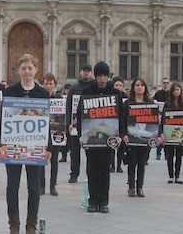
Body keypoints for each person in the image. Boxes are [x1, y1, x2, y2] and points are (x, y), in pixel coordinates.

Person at [0, 54, 50, 234]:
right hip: (13, 144)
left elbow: (46, 122)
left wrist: (48, 147)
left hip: (35, 145)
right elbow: (1, 118)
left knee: (34, 187)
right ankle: (14, 225)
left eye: (30, 68)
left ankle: (31, 225)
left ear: (36, 70)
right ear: (18, 70)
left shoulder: (42, 93)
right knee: (12, 185)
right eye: (24, 68)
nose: (27, 71)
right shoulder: (10, 91)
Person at [77, 61, 124, 213]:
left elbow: (121, 116)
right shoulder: (87, 91)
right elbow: (80, 115)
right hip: (92, 139)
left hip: (108, 140)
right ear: (95, 77)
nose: (102, 79)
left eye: (104, 76)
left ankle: (103, 201)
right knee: (91, 169)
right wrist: (80, 134)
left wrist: (121, 135)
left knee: (104, 170)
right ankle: (92, 200)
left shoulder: (115, 93)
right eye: (99, 76)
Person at [122, 78, 160, 198]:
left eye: (142, 85)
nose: (139, 87)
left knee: (142, 163)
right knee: (132, 162)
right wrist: (123, 135)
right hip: (132, 137)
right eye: (137, 85)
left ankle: (140, 187)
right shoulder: (127, 103)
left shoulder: (151, 103)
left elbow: (155, 122)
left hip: (145, 138)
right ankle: (131, 187)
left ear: (145, 88)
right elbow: (122, 121)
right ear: (133, 88)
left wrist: (158, 135)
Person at [65, 64, 93, 183]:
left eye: (88, 71)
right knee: (75, 150)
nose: (86, 73)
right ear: (80, 72)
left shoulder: (93, 86)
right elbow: (69, 105)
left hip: (90, 122)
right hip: (76, 122)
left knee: (90, 151)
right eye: (84, 71)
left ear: (91, 73)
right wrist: (68, 122)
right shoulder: (74, 87)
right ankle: (74, 174)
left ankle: (90, 174)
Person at [163, 82, 183, 184]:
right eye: (174, 90)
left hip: (181, 132)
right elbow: (163, 119)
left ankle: (177, 176)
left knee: (178, 155)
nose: (176, 92)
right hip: (169, 132)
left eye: (178, 90)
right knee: (170, 155)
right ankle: (170, 175)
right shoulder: (168, 103)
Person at [40, 73, 61, 196]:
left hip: (55, 132)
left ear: (54, 85)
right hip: (42, 132)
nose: (48, 86)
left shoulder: (58, 98)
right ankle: (41, 186)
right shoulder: (40, 97)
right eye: (46, 84)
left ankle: (53, 186)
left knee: (54, 159)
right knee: (42, 158)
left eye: (50, 84)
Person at [153, 77, 170, 160]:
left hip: (168, 116)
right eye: (164, 83)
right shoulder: (158, 93)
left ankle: (167, 154)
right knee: (160, 134)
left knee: (166, 134)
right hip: (160, 115)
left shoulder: (170, 93)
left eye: (167, 83)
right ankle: (158, 153)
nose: (165, 84)